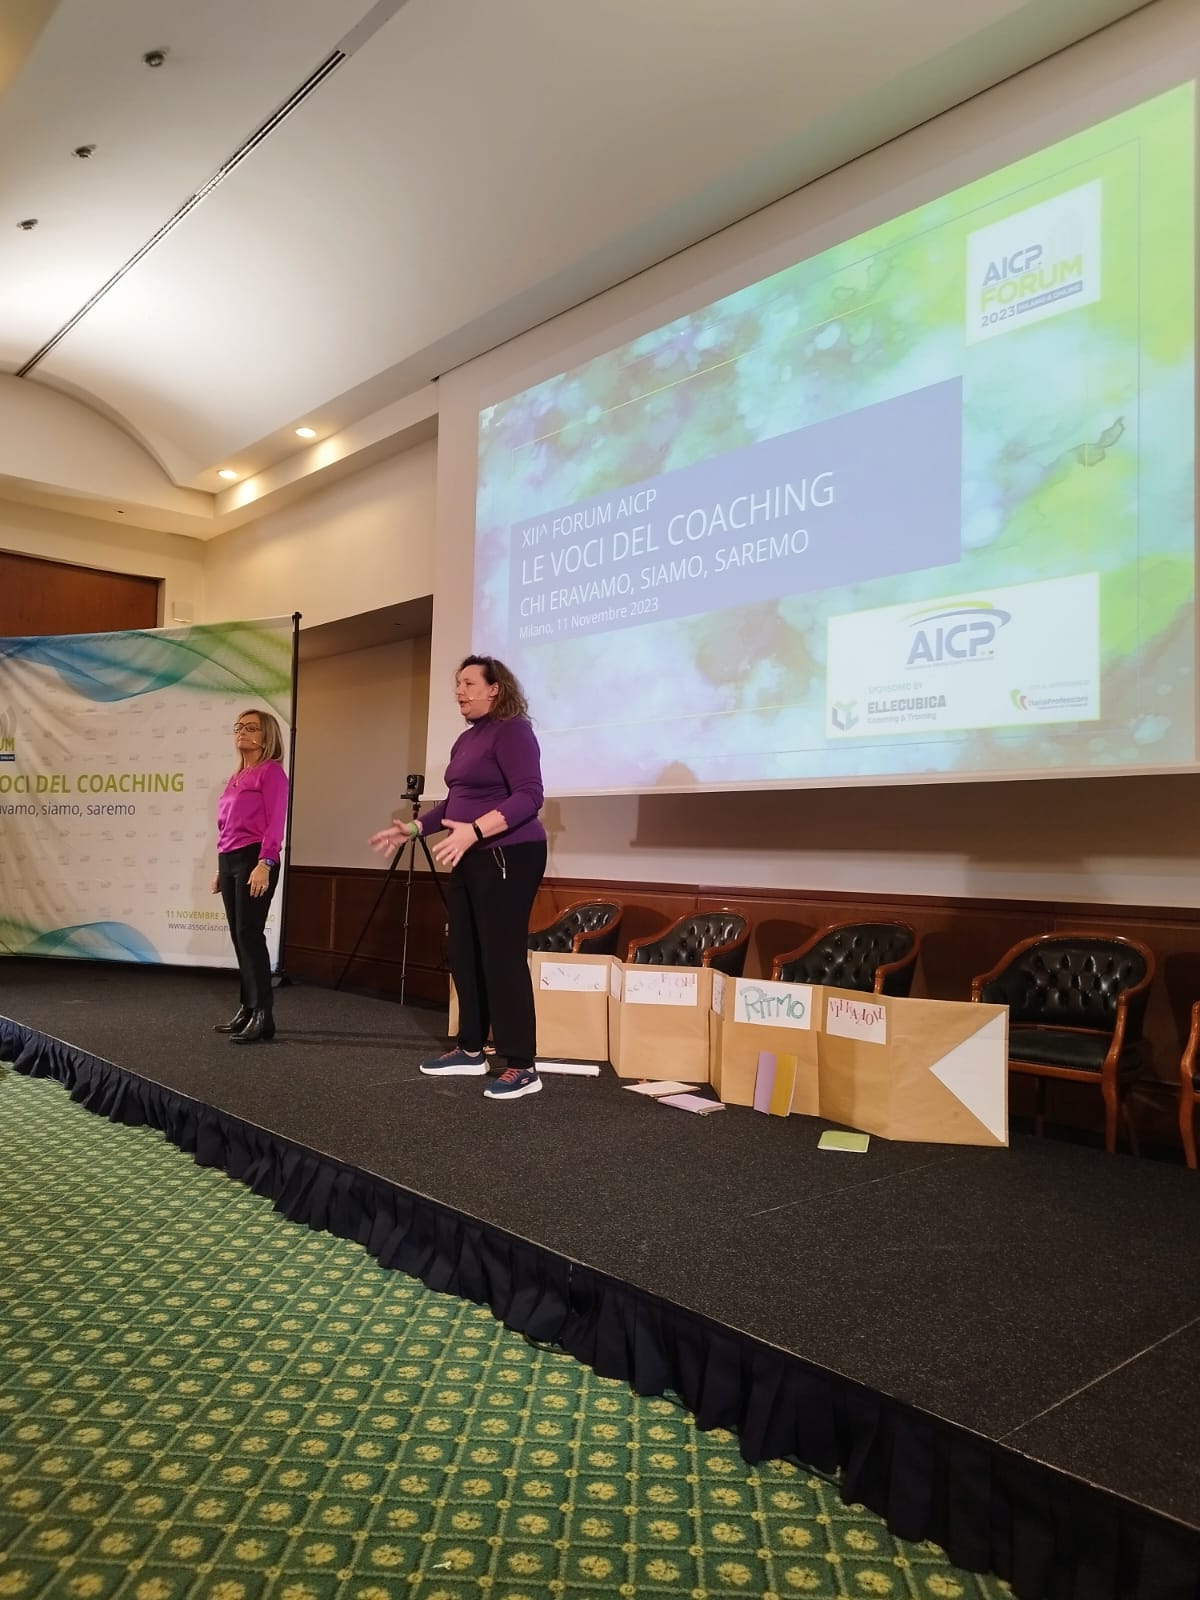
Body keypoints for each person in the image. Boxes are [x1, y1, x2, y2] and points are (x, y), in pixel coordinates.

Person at [370, 655, 547, 1100]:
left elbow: (530, 796)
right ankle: (471, 1049)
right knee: (463, 952)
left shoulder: (513, 731)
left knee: (501, 956)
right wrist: (414, 829)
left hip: (509, 853)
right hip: (468, 853)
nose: (459, 691)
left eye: (469, 683)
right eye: (458, 684)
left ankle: (522, 1064)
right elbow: (453, 804)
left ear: (495, 688)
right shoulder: (467, 739)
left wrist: (476, 830)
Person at [210, 707, 289, 1043]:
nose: (242, 732)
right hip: (229, 859)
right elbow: (226, 825)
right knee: (239, 936)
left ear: (266, 736)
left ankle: (263, 1015)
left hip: (254, 857)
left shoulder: (271, 773)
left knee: (250, 934)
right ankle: (247, 1007)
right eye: (239, 727)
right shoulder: (236, 776)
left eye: (251, 727)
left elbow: (276, 821)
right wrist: (221, 868)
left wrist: (265, 863)